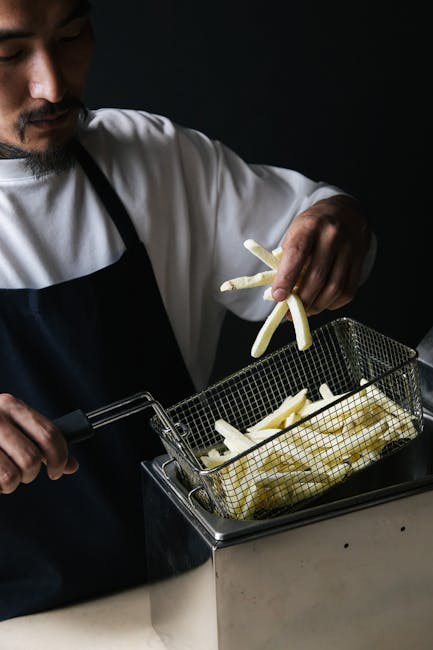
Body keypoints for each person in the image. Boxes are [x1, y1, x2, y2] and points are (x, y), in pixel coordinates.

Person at [0, 0, 375, 622]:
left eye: (71, 36)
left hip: (203, 583)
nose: (54, 84)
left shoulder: (153, 156)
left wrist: (337, 222)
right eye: (8, 55)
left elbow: (314, 217)